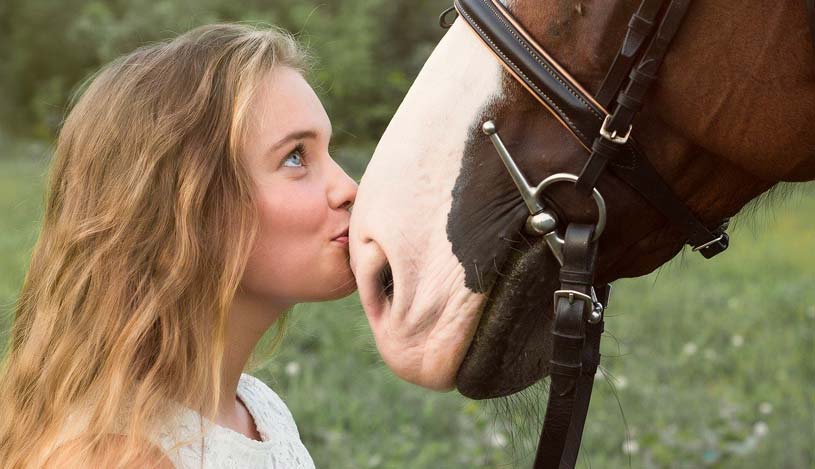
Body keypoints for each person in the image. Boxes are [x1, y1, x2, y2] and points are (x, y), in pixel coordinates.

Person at [0, 23, 357, 468]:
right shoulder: (119, 456)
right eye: (295, 156)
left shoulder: (257, 408)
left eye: (328, 151)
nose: (349, 188)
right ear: (186, 207)